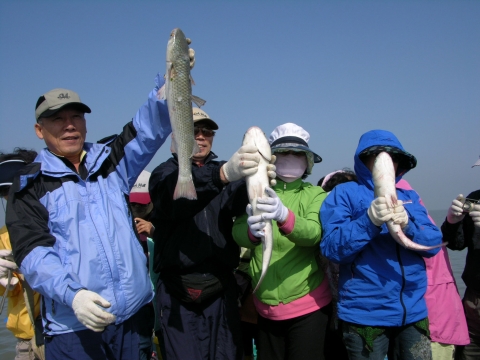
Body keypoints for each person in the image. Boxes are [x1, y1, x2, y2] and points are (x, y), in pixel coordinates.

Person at [6, 67, 175, 359]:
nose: (69, 125)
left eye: (76, 117)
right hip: (73, 326)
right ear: (39, 130)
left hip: (133, 319)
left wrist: (171, 85)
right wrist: (74, 296)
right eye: (57, 119)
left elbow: (148, 130)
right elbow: (33, 254)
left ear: (85, 123)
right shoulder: (28, 186)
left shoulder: (110, 160)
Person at [148, 108, 276, 360]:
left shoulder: (225, 175)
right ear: (176, 136)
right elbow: (177, 198)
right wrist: (221, 175)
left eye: (207, 131)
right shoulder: (163, 174)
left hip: (221, 288)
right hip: (178, 291)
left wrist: (261, 178)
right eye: (193, 130)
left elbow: (242, 202)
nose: (202, 136)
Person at [320, 129, 443, 360]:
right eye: (376, 156)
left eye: (393, 157)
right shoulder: (344, 194)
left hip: (413, 311)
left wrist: (409, 225)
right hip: (365, 314)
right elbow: (332, 248)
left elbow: (434, 244)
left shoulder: (410, 195)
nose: (386, 162)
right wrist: (369, 221)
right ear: (363, 160)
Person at [233, 123, 332, 360]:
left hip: (308, 306)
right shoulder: (253, 188)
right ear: (271, 159)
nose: (290, 158)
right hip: (265, 308)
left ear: (308, 161)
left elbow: (313, 233)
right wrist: (250, 232)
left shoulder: (316, 194)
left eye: (297, 154)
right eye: (283, 153)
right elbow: (236, 229)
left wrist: (283, 216)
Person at [396, 179, 469, 360]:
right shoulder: (426, 224)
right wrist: (451, 222)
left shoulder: (411, 221)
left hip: (434, 321)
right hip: (434, 317)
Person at [0, 148, 44, 360]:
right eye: (6, 192)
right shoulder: (3, 236)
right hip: (27, 338)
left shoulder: (57, 221)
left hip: (66, 330)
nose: (12, 196)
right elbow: (6, 291)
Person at [441, 155, 480, 360]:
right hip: (474, 299)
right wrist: (451, 221)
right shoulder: (476, 198)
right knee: (468, 355)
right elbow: (455, 245)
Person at [129, 170, 158, 360]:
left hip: (156, 308)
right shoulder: (120, 230)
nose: (139, 209)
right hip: (134, 309)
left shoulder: (161, 225)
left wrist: (155, 232)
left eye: (144, 204)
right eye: (134, 204)